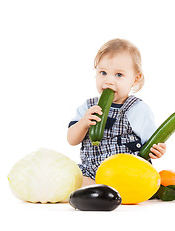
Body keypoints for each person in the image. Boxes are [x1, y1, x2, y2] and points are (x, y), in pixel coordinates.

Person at [67, 39, 167, 187]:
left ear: (135, 79)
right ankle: (99, 188)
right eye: (103, 73)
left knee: (143, 182)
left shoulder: (137, 109)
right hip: (91, 172)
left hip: (126, 174)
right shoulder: (88, 107)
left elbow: (150, 146)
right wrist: (83, 123)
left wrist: (157, 150)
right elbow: (71, 139)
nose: (108, 81)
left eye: (119, 75)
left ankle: (164, 184)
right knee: (70, 179)